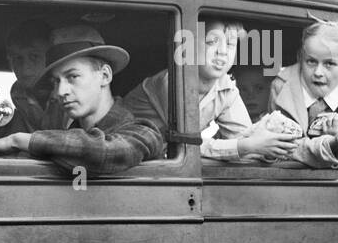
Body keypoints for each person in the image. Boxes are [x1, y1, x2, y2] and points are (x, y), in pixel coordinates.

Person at [0, 24, 164, 175]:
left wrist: (18, 140)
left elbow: (105, 152)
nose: (60, 91)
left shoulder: (143, 132)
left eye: (72, 77)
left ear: (104, 75)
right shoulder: (64, 140)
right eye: (56, 81)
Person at [122, 20, 296, 162]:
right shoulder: (172, 81)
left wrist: (269, 148)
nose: (222, 52)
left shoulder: (226, 88)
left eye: (230, 44)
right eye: (212, 42)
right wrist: (247, 146)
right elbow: (186, 144)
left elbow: (244, 137)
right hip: (124, 152)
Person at [270, 19, 338, 169]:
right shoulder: (281, 89)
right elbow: (281, 149)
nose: (318, 72)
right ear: (301, 58)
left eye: (329, 64)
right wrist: (328, 142)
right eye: (311, 62)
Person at [1, 19, 55, 136]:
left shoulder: (68, 94)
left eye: (34, 56)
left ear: (51, 56)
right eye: (18, 58)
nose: (25, 68)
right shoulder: (18, 94)